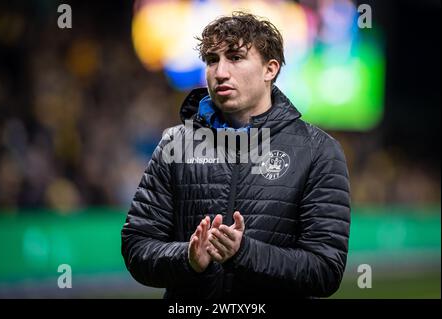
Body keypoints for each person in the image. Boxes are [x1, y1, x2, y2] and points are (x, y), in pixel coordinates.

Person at [121, 11, 350, 299]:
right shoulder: (173, 144)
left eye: (236, 57)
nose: (220, 72)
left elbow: (325, 271)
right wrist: (186, 258)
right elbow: (136, 246)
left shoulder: (319, 150)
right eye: (212, 60)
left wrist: (245, 253)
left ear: (271, 69)